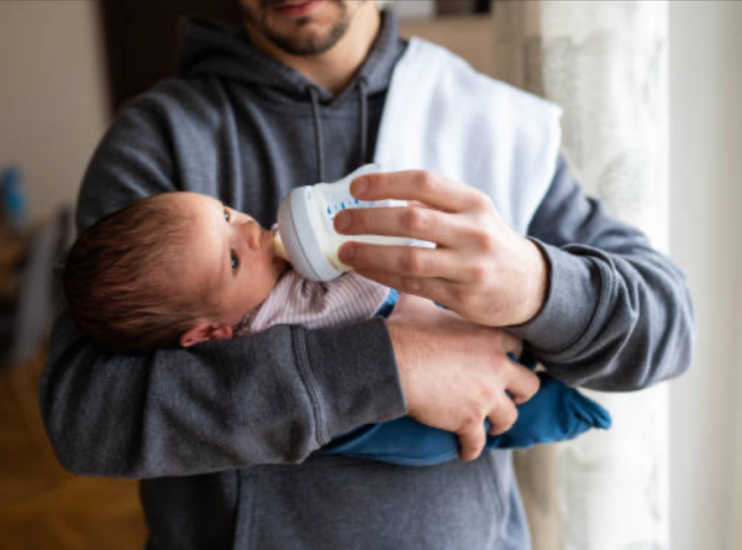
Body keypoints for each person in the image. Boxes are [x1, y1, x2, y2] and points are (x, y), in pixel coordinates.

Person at [40, 2, 694, 548]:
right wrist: (389, 365)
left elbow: (668, 330)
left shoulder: (490, 122)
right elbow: (85, 416)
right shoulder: (161, 141)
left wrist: (534, 284)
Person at [60, 190, 611, 466]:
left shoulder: (271, 259)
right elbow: (84, 419)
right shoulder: (263, 336)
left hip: (458, 323)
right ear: (207, 335)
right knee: (460, 430)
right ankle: (556, 414)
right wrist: (400, 363)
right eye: (231, 260)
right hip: (390, 425)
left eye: (227, 213)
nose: (252, 232)